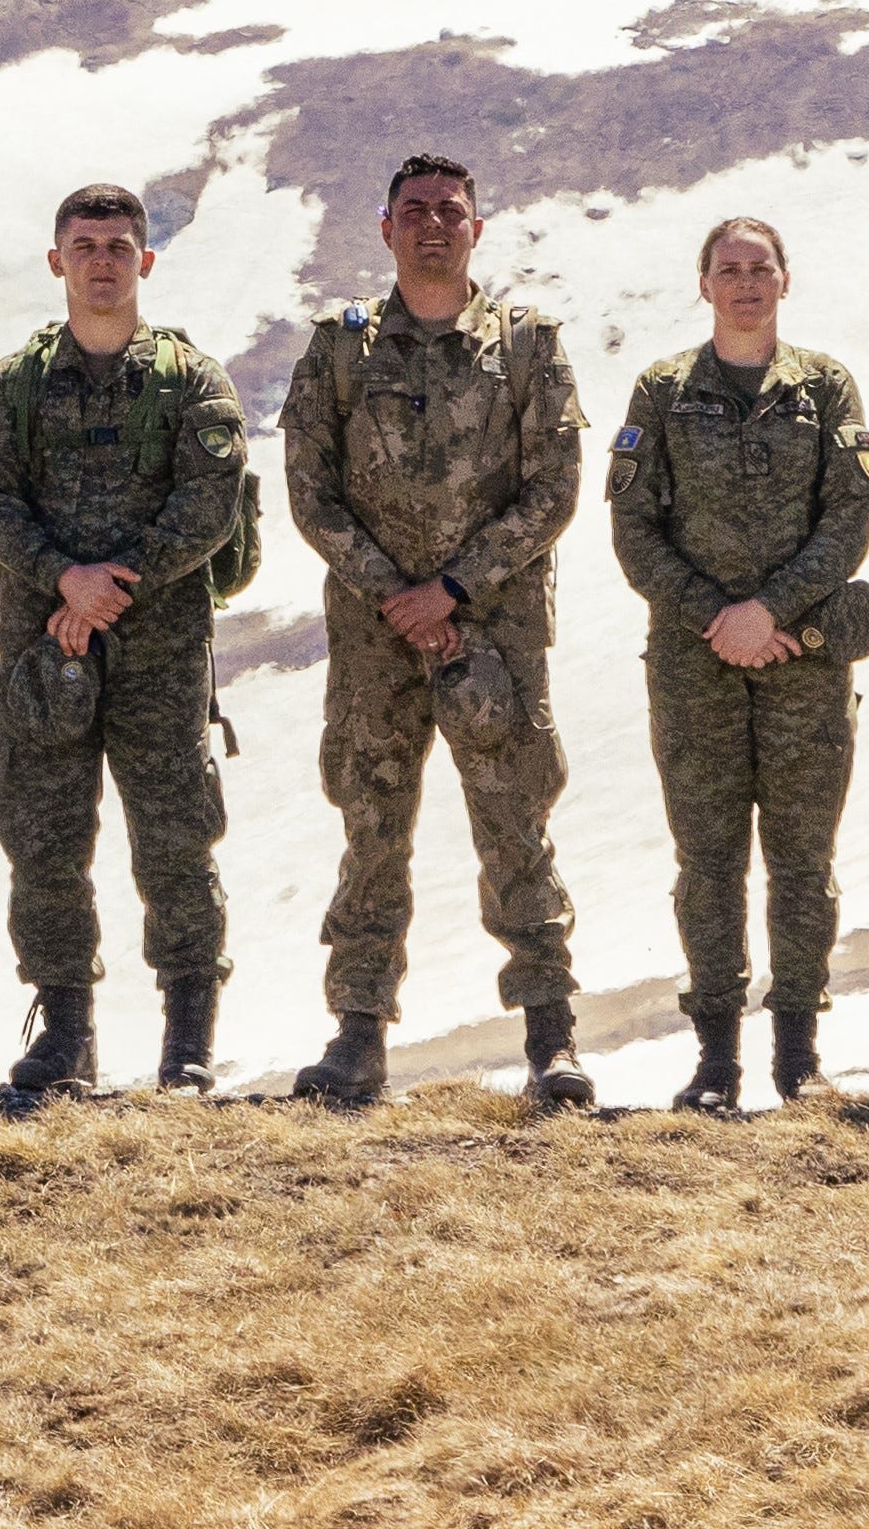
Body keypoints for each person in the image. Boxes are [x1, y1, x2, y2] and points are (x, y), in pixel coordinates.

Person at [277, 153, 593, 1111]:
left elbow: (555, 489)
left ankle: (551, 1040)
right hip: (376, 635)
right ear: (384, 230)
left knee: (515, 827)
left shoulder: (526, 345)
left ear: (475, 230)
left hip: (492, 636)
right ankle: (357, 1038)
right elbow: (308, 491)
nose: (431, 226)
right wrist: (393, 592)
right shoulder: (340, 351)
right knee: (370, 828)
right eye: (412, 211)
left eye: (448, 211)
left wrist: (452, 588)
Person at [0, 184, 248, 1101]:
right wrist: (61, 580)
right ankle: (63, 1030)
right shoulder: (12, 385)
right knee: (42, 837)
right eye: (84, 246)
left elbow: (209, 503)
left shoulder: (192, 381)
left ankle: (186, 1038)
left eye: (119, 245)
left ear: (144, 261)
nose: (102, 261)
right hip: (46, 644)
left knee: (174, 840)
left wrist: (110, 585)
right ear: (56, 262)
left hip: (159, 646)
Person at [608, 216, 869, 1111]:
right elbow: (633, 528)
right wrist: (715, 617)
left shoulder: (824, 388)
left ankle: (797, 1057)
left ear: (783, 281)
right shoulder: (661, 391)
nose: (743, 284)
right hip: (694, 666)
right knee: (708, 861)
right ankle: (716, 1059)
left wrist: (769, 612)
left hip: (801, 663)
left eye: (758, 269)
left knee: (803, 861)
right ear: (703, 285)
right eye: (727, 270)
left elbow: (847, 520)